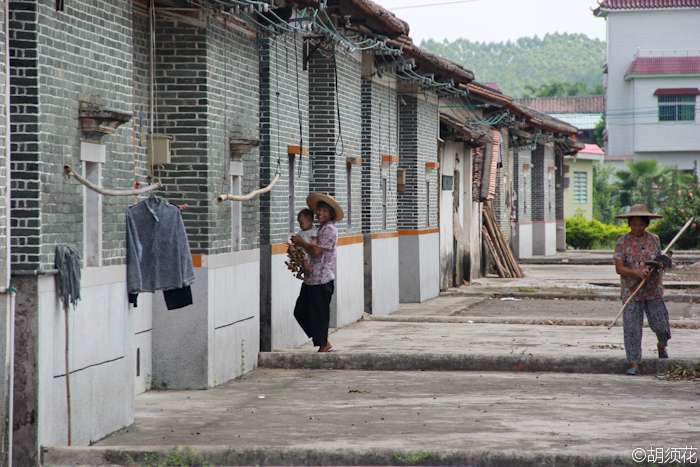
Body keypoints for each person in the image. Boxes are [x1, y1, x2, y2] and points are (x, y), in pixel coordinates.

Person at [613, 204, 671, 376]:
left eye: (640, 224)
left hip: (652, 291)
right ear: (629, 223)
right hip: (631, 292)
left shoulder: (655, 240)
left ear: (646, 224)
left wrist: (663, 261)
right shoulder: (622, 242)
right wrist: (636, 272)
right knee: (632, 329)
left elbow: (659, 260)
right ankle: (634, 364)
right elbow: (619, 268)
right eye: (634, 224)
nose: (637, 228)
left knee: (661, 325)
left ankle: (662, 344)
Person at [290, 193, 342, 353]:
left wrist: (300, 242)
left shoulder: (328, 230)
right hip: (311, 279)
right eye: (318, 210)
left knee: (320, 315)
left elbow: (317, 252)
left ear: (331, 214)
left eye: (324, 211)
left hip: (322, 280)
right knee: (300, 311)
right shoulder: (319, 229)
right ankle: (323, 340)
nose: (320, 213)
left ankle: (322, 345)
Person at [294, 208, 318, 280]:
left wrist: (314, 241)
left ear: (310, 221)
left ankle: (303, 271)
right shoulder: (300, 232)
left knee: (306, 259)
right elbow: (296, 239)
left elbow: (315, 238)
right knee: (303, 259)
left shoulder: (314, 230)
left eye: (302, 223)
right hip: (302, 250)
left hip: (309, 251)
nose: (300, 226)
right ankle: (302, 271)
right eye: (299, 223)